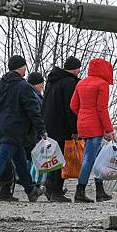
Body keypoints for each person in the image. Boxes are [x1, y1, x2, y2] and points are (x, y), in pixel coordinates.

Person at [0, 55, 46, 203]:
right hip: (15, 129)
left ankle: (31, 190)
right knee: (2, 159)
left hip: (1, 127)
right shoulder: (24, 87)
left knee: (20, 160)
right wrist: (41, 129)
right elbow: (32, 110)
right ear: (21, 67)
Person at [70, 58, 114, 203]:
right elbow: (102, 109)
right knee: (90, 158)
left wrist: (83, 116)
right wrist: (109, 129)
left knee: (96, 158)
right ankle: (80, 191)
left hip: (83, 124)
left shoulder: (81, 83)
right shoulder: (102, 84)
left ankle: (99, 191)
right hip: (96, 125)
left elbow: (73, 105)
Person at [41, 56, 81, 202]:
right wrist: (75, 129)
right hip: (62, 126)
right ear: (76, 69)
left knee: (54, 157)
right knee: (61, 159)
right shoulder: (69, 82)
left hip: (49, 124)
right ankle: (56, 192)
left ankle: (50, 189)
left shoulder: (53, 81)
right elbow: (70, 108)